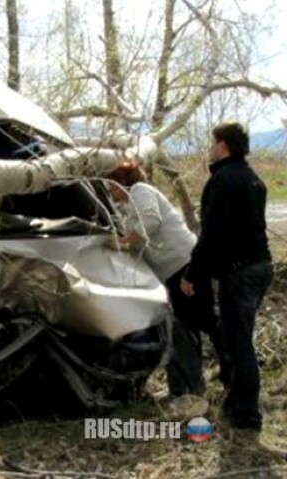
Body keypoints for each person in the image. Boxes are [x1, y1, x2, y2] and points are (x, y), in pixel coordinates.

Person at [105, 160, 230, 398]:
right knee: (187, 327)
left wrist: (121, 242)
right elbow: (141, 237)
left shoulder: (141, 191)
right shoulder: (129, 206)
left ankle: (220, 379)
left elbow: (151, 222)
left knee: (200, 324)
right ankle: (189, 387)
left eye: (111, 185)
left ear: (123, 182)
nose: (110, 192)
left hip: (184, 265)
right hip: (173, 271)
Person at [181, 122, 273, 431]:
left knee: (238, 342)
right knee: (236, 337)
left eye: (212, 143)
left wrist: (193, 273)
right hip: (260, 266)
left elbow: (213, 234)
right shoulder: (252, 179)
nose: (209, 149)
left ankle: (246, 415)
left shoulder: (223, 180)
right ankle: (236, 402)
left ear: (223, 146)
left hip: (241, 272)